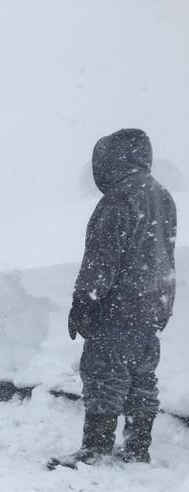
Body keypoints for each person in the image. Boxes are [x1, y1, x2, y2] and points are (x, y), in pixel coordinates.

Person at [49, 129, 177, 469]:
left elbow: (102, 257)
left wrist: (84, 300)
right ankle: (138, 448)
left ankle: (95, 450)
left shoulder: (120, 197)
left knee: (103, 371)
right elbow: (165, 253)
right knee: (141, 377)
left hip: (120, 304)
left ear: (111, 160)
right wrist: (163, 303)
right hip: (154, 305)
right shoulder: (162, 195)